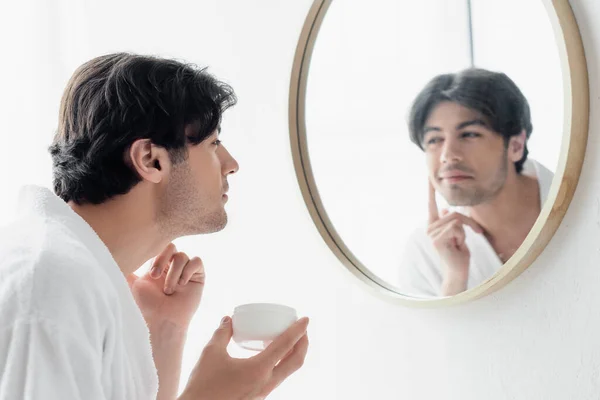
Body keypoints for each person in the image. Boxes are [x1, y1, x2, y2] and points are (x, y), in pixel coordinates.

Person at [0, 53, 309, 400]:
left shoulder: (78, 280)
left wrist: (165, 329)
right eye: (213, 143)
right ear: (151, 160)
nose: (231, 164)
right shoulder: (49, 285)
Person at [398, 68, 554, 298]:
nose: (447, 155)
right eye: (434, 140)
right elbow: (434, 335)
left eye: (469, 134)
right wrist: (454, 280)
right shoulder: (424, 252)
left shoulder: (585, 205)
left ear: (516, 146)